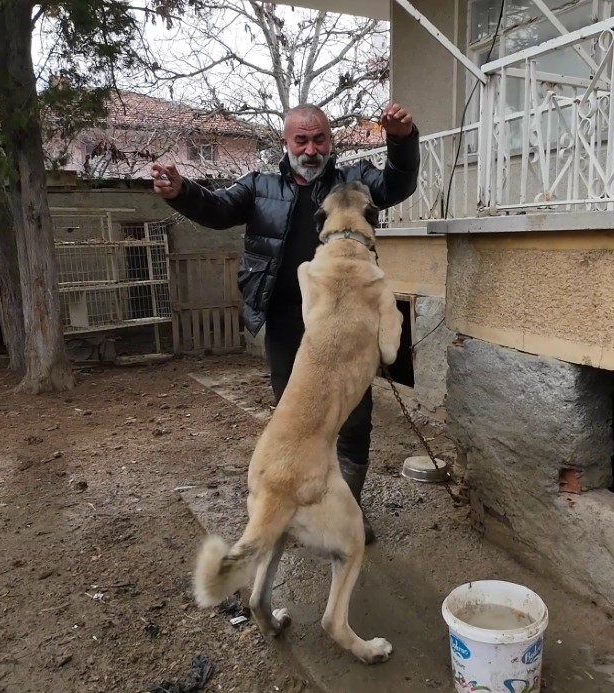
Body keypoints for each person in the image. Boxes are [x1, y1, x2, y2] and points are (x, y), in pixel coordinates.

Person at [151, 103, 420, 544]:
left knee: (354, 420)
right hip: (285, 323)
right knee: (298, 421)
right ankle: (307, 504)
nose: (311, 150)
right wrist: (181, 191)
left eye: (319, 140)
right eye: (302, 140)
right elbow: (218, 210)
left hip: (346, 326)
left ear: (330, 142)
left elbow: (397, 183)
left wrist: (402, 140)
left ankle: (348, 513)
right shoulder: (258, 186)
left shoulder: (354, 184)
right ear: (285, 142)